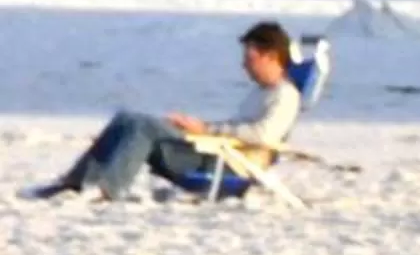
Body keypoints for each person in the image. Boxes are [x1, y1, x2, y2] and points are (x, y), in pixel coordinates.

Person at [24, 21, 302, 202]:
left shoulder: (285, 95)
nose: (244, 65)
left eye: (250, 58)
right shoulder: (262, 92)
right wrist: (198, 127)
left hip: (230, 166)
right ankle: (75, 182)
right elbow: (240, 127)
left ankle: (109, 189)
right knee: (127, 119)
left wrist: (207, 129)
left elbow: (263, 135)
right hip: (218, 151)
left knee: (144, 126)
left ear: (272, 56)